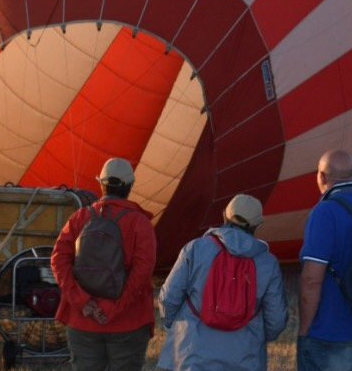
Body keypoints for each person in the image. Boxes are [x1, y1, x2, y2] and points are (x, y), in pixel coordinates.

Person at [157, 193, 288, 370]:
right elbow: (277, 318)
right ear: (257, 225)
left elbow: (168, 297)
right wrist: (256, 337)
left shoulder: (195, 248)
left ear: (224, 215)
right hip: (245, 359)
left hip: (191, 355)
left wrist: (174, 326)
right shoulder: (268, 262)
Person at [50, 157, 157, 371]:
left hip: (83, 321)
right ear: (130, 186)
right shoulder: (140, 223)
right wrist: (113, 308)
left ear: (101, 184)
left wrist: (83, 302)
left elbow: (58, 260)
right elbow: (142, 273)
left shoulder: (79, 217)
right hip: (128, 322)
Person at [297, 149, 352, 371]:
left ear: (322, 177)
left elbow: (311, 280)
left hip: (331, 334)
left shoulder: (324, 213)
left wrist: (305, 329)